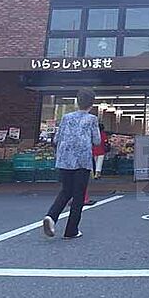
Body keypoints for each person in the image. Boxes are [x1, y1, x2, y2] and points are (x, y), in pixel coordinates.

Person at [42, 88, 100, 240]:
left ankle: (51, 216)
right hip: (82, 161)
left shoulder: (66, 117)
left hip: (64, 159)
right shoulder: (92, 119)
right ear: (91, 104)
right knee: (79, 195)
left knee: (66, 191)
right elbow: (97, 140)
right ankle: (71, 230)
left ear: (77, 102)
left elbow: (56, 138)